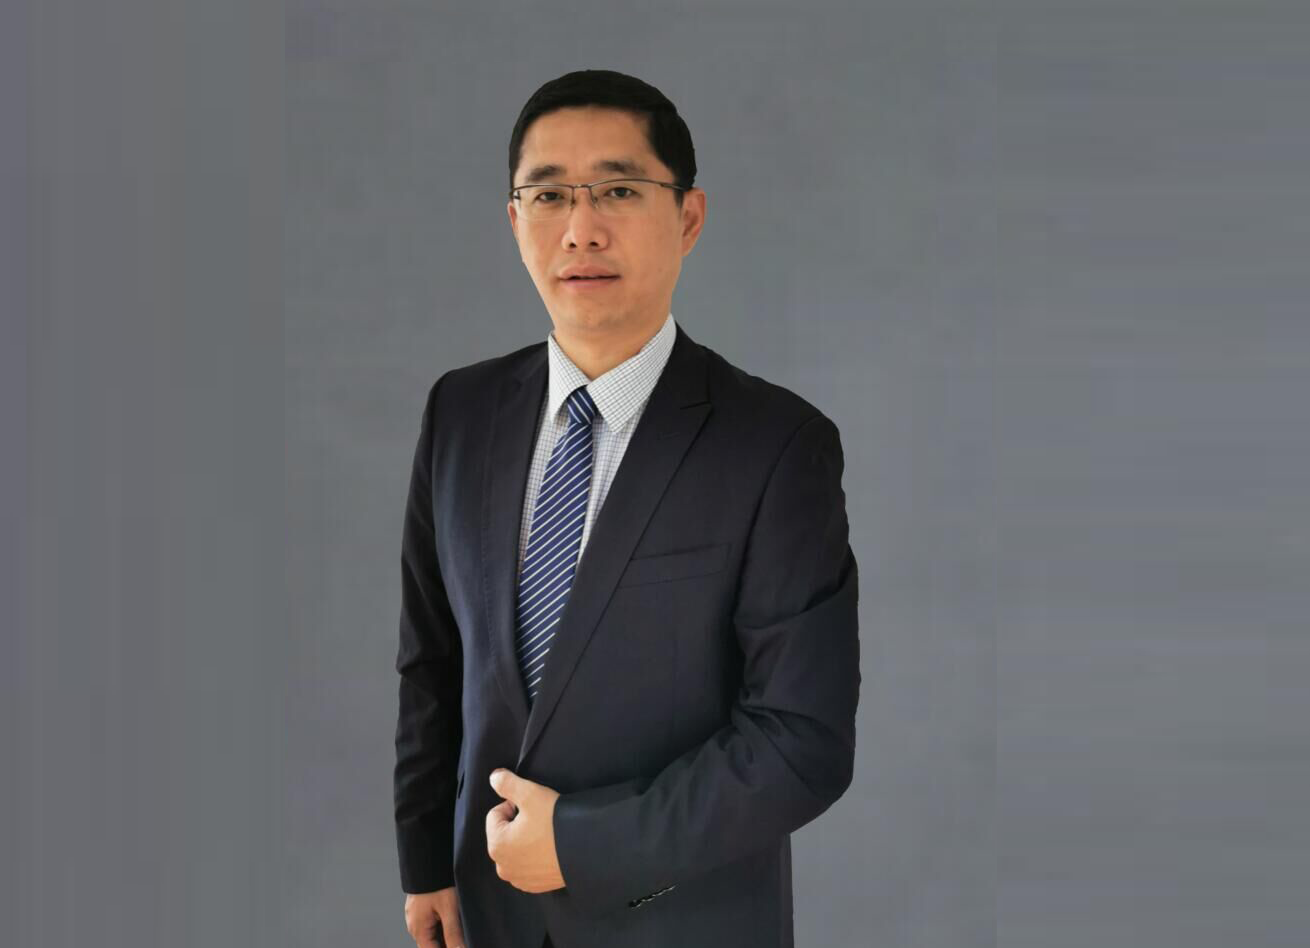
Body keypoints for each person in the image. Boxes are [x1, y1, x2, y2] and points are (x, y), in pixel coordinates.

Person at [395, 69, 861, 948]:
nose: (581, 228)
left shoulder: (775, 445)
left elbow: (803, 740)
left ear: (688, 217)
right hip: (488, 918)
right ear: (514, 221)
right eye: (549, 195)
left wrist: (581, 844)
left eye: (618, 190)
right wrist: (426, 861)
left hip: (681, 923)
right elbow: (435, 661)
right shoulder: (461, 412)